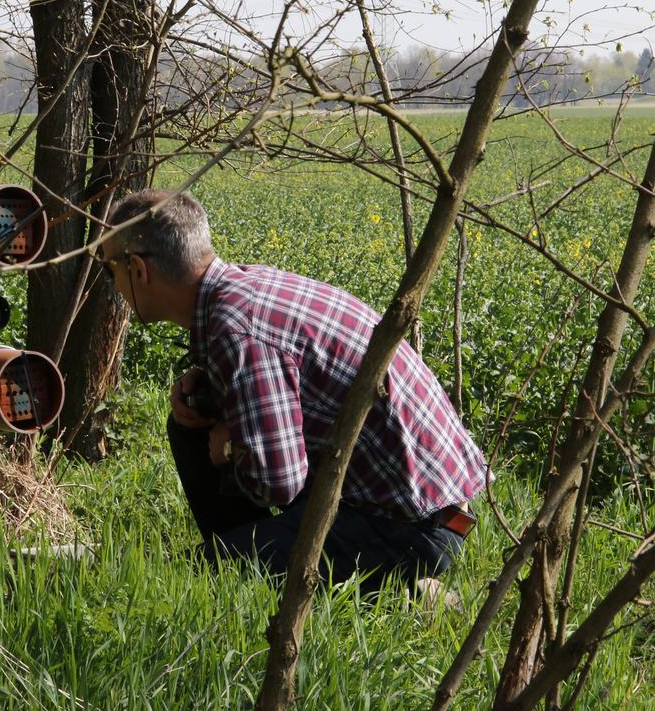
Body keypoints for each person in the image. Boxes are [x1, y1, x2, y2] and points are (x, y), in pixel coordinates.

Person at [97, 188, 488, 592]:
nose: (114, 284)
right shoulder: (241, 289)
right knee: (191, 430)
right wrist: (212, 394)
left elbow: (278, 480)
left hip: (412, 528)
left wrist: (231, 446)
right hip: (420, 505)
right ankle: (248, 555)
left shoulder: (237, 328)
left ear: (139, 270)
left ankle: (407, 590)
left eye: (109, 269)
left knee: (193, 578)